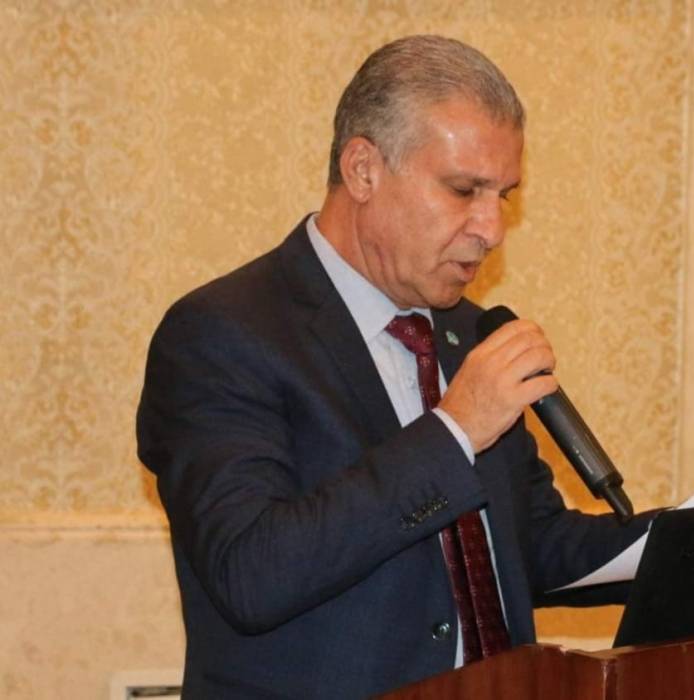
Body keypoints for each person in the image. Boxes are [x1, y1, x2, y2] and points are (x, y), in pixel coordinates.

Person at [137, 35, 654, 698]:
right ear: (363, 170)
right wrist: (456, 429)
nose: (492, 229)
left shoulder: (468, 335)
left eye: (503, 195)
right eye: (464, 190)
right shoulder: (223, 333)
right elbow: (252, 571)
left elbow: (531, 546)